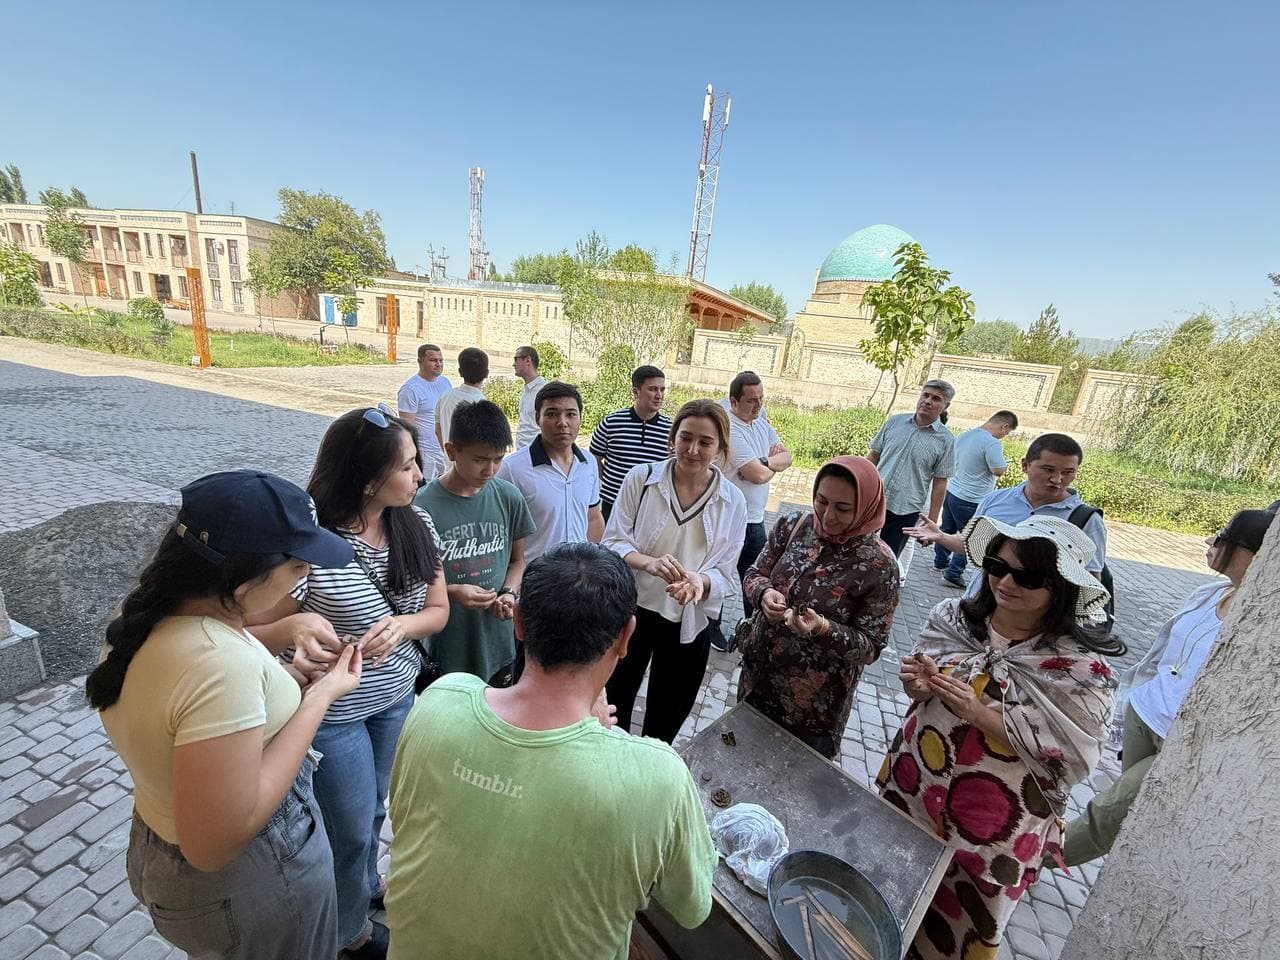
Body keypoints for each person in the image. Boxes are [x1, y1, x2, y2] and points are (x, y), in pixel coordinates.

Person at [385, 543, 717, 960]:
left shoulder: (440, 701)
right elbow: (693, 907)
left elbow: (403, 815)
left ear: (519, 623)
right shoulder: (658, 776)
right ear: (626, 636)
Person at [88, 470, 361, 960]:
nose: (306, 575)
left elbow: (193, 703)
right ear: (246, 578)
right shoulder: (219, 665)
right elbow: (215, 844)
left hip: (161, 845)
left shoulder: (142, 618)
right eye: (299, 564)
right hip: (251, 878)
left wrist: (282, 674)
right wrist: (322, 696)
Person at [248, 406, 449, 959]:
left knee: (376, 809)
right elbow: (251, 629)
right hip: (332, 711)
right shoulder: (311, 547)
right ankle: (346, 934)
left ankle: (360, 889)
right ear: (366, 479)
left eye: (416, 462)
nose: (420, 477)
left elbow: (438, 611)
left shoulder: (417, 521)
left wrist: (402, 624)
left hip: (395, 696)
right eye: (408, 467)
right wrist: (292, 628)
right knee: (351, 825)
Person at [877, 515, 1120, 960]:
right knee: (884, 896)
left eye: (1026, 576)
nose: (1005, 581)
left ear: (1060, 587)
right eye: (997, 564)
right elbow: (919, 684)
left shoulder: (1083, 671)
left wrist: (981, 713)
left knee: (956, 928)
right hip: (914, 785)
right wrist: (918, 684)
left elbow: (1075, 757)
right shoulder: (951, 618)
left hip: (993, 829)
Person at [1059, 508, 1272, 866]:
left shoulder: (1259, 620)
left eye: (1223, 537)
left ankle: (1028, 863)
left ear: (1249, 552)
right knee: (1136, 811)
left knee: (1109, 810)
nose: (1211, 543)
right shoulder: (1211, 592)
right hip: (1145, 715)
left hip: (1184, 739)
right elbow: (1163, 652)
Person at [603, 399, 747, 743]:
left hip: (688, 620)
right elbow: (612, 541)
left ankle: (651, 781)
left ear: (721, 447)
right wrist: (647, 562)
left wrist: (699, 581)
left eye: (705, 442)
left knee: (665, 720)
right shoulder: (642, 479)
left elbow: (726, 573)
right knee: (612, 708)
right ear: (673, 437)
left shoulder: (732, 501)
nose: (693, 449)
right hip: (630, 613)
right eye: (686, 437)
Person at [737, 457, 901, 759]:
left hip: (812, 711)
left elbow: (871, 648)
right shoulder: (794, 525)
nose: (827, 515)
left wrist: (823, 628)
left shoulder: (880, 565)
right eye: (821, 501)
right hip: (756, 683)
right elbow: (753, 573)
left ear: (866, 506)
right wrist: (764, 593)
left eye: (842, 508)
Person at [414, 399, 534, 686]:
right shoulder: (421, 506)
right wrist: (453, 592)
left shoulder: (508, 497)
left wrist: (508, 592)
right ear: (452, 451)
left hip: (497, 644)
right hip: (445, 646)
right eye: (480, 459)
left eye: (498, 459)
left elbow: (517, 560)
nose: (490, 470)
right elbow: (411, 583)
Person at [906, 433, 1108, 596]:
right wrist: (941, 536)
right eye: (1048, 469)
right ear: (1025, 465)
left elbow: (1091, 578)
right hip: (979, 605)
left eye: (1068, 472)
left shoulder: (1086, 520)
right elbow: (971, 544)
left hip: (1037, 627)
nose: (1057, 479)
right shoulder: (994, 500)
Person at [719, 370, 791, 650]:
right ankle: (713, 628)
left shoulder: (761, 423)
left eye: (761, 399)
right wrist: (769, 464)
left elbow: (787, 456)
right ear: (734, 402)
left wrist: (766, 462)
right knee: (723, 574)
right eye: (751, 400)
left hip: (756, 518)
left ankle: (752, 630)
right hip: (730, 517)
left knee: (758, 577)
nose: (758, 406)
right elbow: (757, 476)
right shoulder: (730, 429)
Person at [498, 380, 604, 561]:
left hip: (580, 577)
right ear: (537, 417)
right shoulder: (512, 469)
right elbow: (500, 530)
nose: (562, 422)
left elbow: (593, 517)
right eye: (552, 414)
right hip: (534, 579)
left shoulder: (588, 464)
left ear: (580, 417)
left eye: (571, 414)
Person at [867, 379, 956, 557]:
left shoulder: (946, 440)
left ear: (946, 406)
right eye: (926, 395)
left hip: (906, 508)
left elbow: (940, 482)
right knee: (856, 546)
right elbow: (873, 456)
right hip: (874, 499)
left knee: (888, 558)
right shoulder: (895, 422)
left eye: (936, 399)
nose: (928, 401)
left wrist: (931, 520)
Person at [934, 411, 1017, 587]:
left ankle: (940, 561)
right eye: (1007, 433)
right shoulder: (991, 443)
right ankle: (953, 573)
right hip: (971, 498)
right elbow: (998, 470)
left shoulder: (966, 435)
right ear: (1004, 426)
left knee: (947, 529)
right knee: (969, 537)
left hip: (953, 490)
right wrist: (1004, 464)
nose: (1005, 436)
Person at [589, 364, 672, 522]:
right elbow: (594, 457)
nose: (659, 395)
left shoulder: (671, 430)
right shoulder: (611, 423)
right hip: (613, 504)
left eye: (662, 389)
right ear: (636, 392)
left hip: (651, 508)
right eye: (653, 389)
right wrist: (610, 479)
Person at [395, 343, 452, 480]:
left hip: (445, 451)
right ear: (420, 361)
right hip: (426, 454)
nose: (438, 364)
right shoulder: (410, 389)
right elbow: (407, 426)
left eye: (441, 360)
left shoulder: (445, 382)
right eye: (433, 360)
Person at [434, 346, 488, 452]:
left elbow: (438, 430)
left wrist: (448, 455)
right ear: (486, 373)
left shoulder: (446, 396)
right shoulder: (482, 405)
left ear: (460, 372)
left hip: (449, 462)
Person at [512, 345, 548, 449]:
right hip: (521, 452)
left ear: (528, 360)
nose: (513, 364)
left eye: (516, 359)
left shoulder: (544, 391)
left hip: (536, 453)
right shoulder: (526, 388)